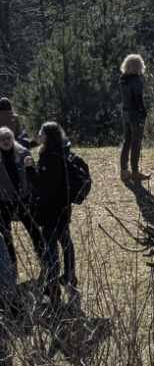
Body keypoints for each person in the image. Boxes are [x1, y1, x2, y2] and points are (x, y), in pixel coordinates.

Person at [26, 122, 76, 306]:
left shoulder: (48, 158)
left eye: (40, 132)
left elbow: (41, 186)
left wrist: (30, 169)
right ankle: (71, 276)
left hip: (50, 213)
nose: (38, 134)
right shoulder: (63, 152)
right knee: (66, 243)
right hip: (63, 210)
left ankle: (52, 292)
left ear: (46, 136)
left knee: (51, 252)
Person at [0, 127, 30, 277]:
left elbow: (31, 175)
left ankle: (47, 265)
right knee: (6, 237)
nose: (5, 142)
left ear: (12, 139)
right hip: (3, 202)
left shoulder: (22, 153)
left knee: (35, 232)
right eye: (2, 139)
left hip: (23, 199)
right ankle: (12, 271)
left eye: (8, 138)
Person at [119, 54, 150, 182]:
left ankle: (124, 171)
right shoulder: (136, 80)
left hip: (125, 113)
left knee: (127, 141)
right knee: (136, 143)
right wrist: (143, 111)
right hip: (135, 114)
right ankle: (135, 172)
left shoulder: (123, 79)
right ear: (138, 65)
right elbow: (138, 98)